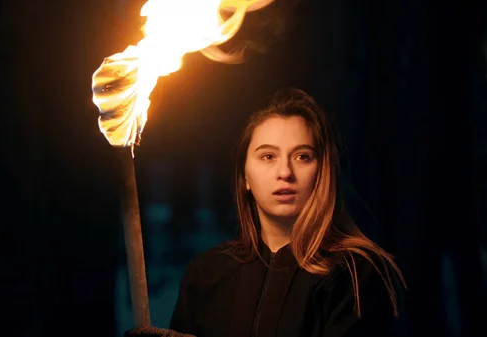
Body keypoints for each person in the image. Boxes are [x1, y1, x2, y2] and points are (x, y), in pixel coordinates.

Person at [125, 88, 406, 337]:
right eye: (268, 156)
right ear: (244, 177)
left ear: (323, 172)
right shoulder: (207, 274)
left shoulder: (356, 274)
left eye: (302, 156)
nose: (284, 172)